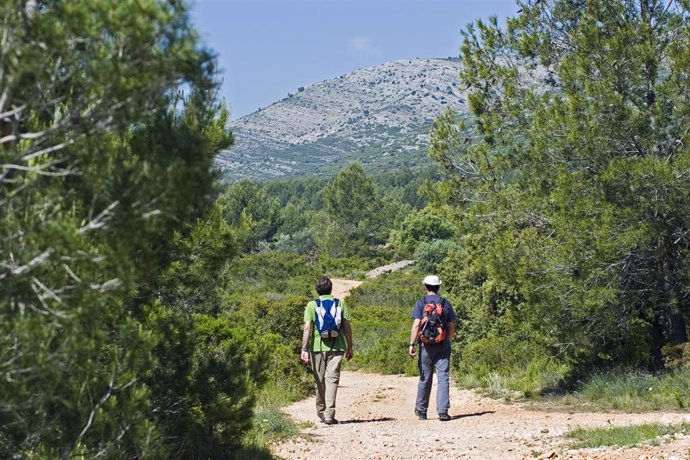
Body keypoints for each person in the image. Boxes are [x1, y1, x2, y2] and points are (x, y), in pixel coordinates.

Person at [300, 276, 353, 425]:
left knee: (320, 381)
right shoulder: (340, 303)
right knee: (332, 380)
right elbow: (347, 327)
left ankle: (321, 411)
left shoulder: (312, 305)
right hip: (338, 346)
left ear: (317, 291)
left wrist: (304, 348)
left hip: (317, 347)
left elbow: (307, 327)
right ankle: (330, 414)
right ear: (331, 289)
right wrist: (350, 346)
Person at [408, 275, 456, 421]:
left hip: (426, 346)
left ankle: (421, 411)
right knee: (443, 377)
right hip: (443, 344)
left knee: (425, 377)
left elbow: (416, 324)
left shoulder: (421, 302)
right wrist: (447, 339)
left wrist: (412, 344)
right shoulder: (445, 303)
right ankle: (443, 412)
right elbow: (452, 325)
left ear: (426, 287)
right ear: (438, 287)